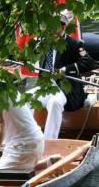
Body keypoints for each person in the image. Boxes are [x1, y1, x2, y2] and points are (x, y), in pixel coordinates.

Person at [34, 11, 97, 139]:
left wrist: (65, 70)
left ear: (62, 27)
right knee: (24, 100)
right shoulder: (43, 43)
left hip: (65, 87)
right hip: (45, 86)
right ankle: (29, 137)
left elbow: (89, 63)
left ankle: (49, 141)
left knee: (55, 103)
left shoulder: (75, 44)